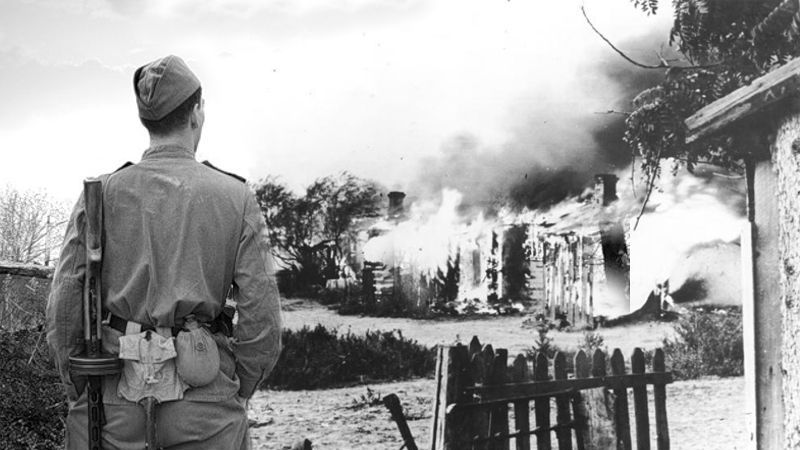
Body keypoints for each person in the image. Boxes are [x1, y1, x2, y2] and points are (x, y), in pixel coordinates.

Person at [46, 54, 283, 449]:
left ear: (146, 119)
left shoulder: (101, 193)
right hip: (206, 403)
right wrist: (240, 388)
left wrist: (79, 389)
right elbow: (262, 316)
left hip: (111, 403)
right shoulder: (235, 196)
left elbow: (65, 308)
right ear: (196, 113)